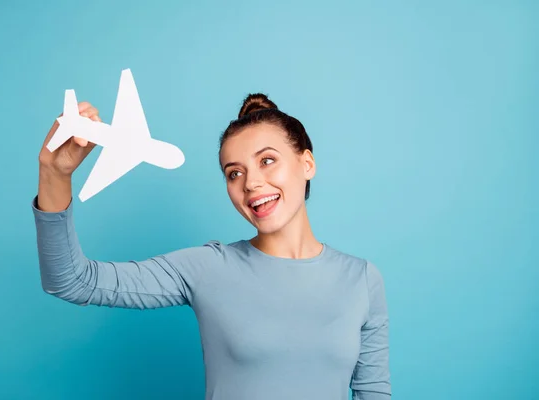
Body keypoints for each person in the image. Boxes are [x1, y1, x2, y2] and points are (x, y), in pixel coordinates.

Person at [32, 93, 391, 399]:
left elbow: (373, 393)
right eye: (234, 172)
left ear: (307, 163)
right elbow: (71, 280)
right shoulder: (209, 268)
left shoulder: (360, 279)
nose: (251, 183)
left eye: (267, 161)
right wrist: (53, 172)